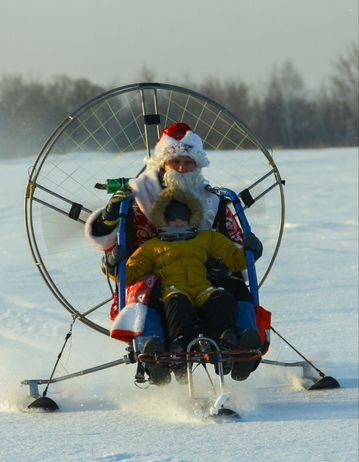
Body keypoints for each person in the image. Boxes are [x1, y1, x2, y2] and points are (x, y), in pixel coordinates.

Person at [85, 122, 263, 338]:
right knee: (154, 295)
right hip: (154, 280)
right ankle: (153, 343)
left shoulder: (212, 203)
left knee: (234, 290)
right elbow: (109, 239)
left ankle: (245, 340)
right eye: (175, 162)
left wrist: (244, 254)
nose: (182, 168)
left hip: (204, 280)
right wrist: (109, 216)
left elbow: (233, 248)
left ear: (197, 166)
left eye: (188, 163)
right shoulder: (140, 198)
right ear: (163, 165)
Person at [125, 188, 263, 385]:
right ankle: (178, 348)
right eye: (172, 218)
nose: (178, 222)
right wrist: (114, 265)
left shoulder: (206, 238)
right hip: (173, 290)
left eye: (184, 217)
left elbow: (234, 258)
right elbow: (130, 273)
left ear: (193, 218)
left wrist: (250, 252)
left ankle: (226, 341)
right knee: (178, 302)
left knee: (220, 297)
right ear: (163, 220)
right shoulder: (151, 247)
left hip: (202, 288)